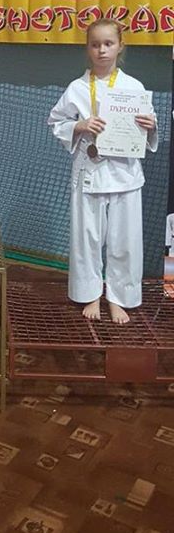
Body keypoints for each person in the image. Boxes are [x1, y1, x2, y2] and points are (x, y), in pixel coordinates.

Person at [48, 18, 157, 324]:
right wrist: (79, 126)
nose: (102, 50)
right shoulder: (77, 88)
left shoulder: (133, 87)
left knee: (125, 240)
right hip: (90, 172)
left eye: (108, 43)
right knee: (87, 239)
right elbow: (56, 121)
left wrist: (150, 125)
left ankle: (119, 297)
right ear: (88, 48)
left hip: (125, 174)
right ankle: (91, 294)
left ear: (120, 46)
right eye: (95, 44)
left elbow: (148, 127)